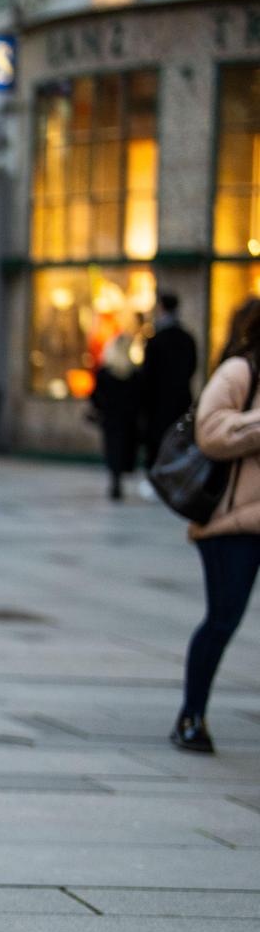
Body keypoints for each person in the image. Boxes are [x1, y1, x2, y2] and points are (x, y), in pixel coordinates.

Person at [174, 299, 260, 755]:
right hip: (232, 524)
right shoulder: (239, 372)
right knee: (223, 619)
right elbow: (210, 433)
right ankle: (191, 714)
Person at [142, 291, 198, 474]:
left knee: (159, 441)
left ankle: (158, 475)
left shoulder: (156, 340)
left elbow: (147, 374)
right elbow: (192, 367)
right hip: (180, 399)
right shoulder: (186, 338)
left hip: (158, 403)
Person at [91, 330, 142, 502]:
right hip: (126, 419)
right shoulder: (134, 374)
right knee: (122, 448)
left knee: (114, 448)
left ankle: (116, 478)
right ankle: (117, 479)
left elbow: (96, 397)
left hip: (112, 418)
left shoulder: (106, 373)